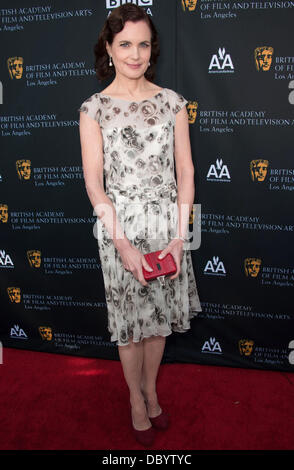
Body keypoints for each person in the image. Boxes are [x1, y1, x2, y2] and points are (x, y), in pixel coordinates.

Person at [78, 4, 202, 447]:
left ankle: (152, 390)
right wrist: (123, 245)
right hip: (119, 232)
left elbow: (186, 173)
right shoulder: (94, 109)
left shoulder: (172, 103)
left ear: (153, 49)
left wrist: (178, 237)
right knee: (130, 325)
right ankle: (136, 398)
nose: (135, 53)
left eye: (143, 44)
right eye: (125, 44)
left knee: (159, 321)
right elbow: (95, 185)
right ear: (109, 49)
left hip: (167, 228)